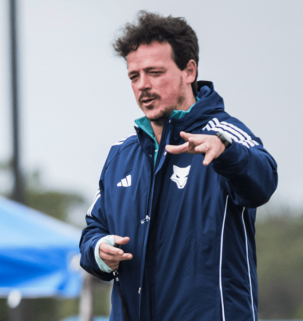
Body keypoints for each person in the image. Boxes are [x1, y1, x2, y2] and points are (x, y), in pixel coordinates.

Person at [79, 11, 278, 321]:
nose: (143, 85)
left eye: (155, 72)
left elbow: (264, 181)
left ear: (189, 70)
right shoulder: (121, 156)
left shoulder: (224, 136)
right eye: (134, 76)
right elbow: (93, 231)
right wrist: (100, 250)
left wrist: (227, 153)